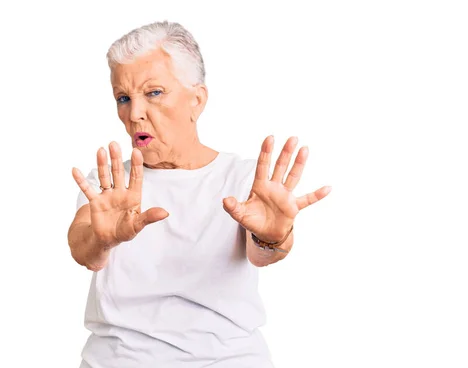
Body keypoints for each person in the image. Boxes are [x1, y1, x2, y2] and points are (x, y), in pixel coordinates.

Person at [67, 21, 331, 368]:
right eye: (123, 98)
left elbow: (263, 255)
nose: (135, 114)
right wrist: (102, 239)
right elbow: (84, 250)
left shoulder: (244, 180)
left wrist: (273, 235)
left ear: (197, 99)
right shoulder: (110, 186)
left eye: (154, 92)